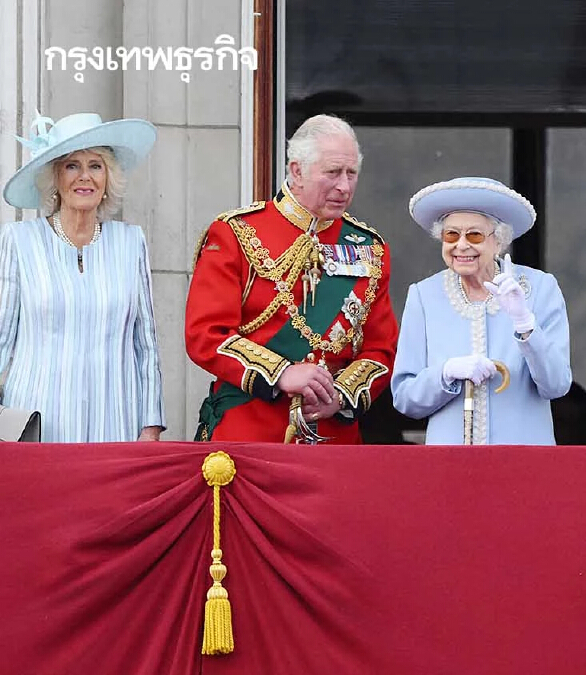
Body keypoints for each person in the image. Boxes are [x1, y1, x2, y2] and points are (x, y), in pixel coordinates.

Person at [186, 114, 398, 443]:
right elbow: (206, 335)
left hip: (334, 440)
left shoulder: (369, 248)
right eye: (332, 172)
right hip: (249, 433)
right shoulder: (236, 233)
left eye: (351, 173)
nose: (344, 186)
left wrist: (340, 396)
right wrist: (281, 373)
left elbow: (381, 349)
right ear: (296, 170)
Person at [0, 112, 164, 442]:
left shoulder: (131, 242)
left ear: (107, 179)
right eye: (72, 165)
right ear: (55, 178)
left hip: (116, 424)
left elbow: (146, 345)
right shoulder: (20, 240)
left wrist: (150, 426)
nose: (84, 177)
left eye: (96, 165)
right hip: (37, 426)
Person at [391, 177, 572, 444]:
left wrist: (524, 323)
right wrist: (446, 372)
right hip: (450, 466)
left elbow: (556, 384)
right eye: (451, 235)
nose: (461, 245)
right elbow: (405, 399)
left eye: (474, 235)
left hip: (523, 462)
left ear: (499, 241)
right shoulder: (423, 296)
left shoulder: (540, 288)